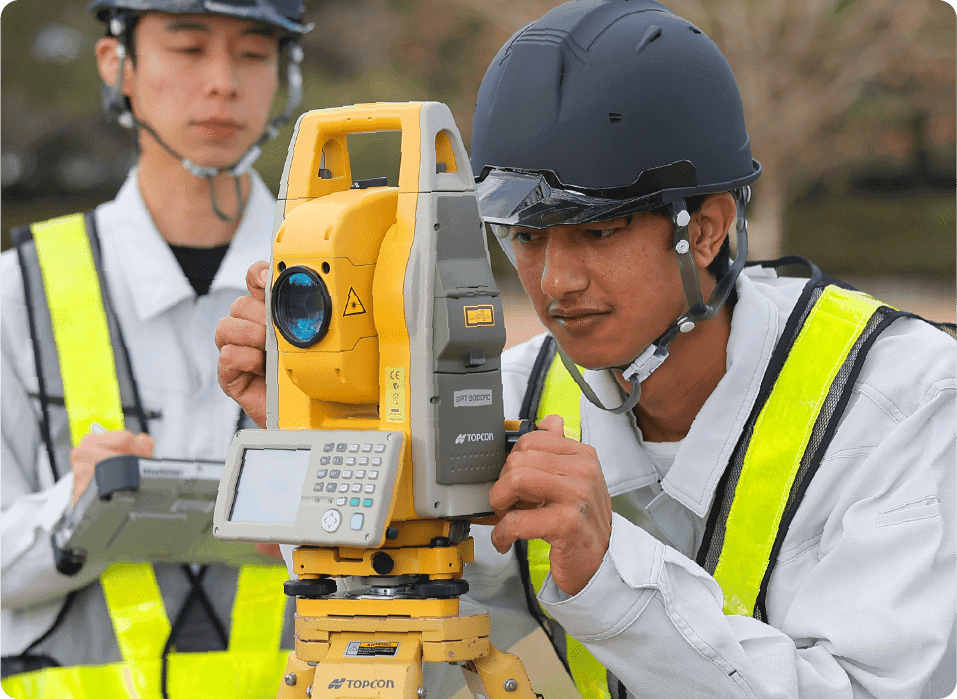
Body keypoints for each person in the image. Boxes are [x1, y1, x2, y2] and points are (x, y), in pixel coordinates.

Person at [215, 1, 956, 697]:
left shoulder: (899, 400)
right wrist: (323, 420)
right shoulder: (509, 392)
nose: (554, 281)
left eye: (596, 232)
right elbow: (393, 626)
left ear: (703, 229)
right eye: (527, 238)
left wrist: (611, 577)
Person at [0, 1, 312, 696]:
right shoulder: (18, 293)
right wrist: (73, 507)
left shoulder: (349, 284)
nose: (224, 82)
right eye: (188, 47)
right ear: (119, 67)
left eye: (254, 54)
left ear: (284, 76)